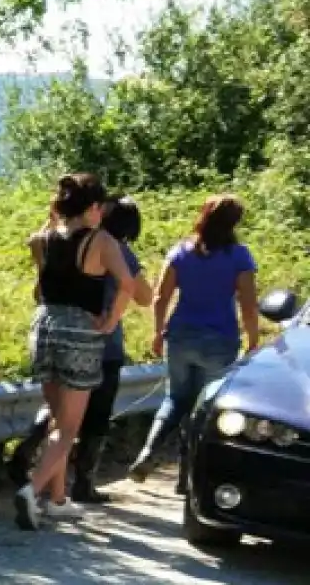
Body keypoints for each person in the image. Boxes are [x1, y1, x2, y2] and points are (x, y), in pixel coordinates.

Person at [11, 174, 139, 529]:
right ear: (94, 208)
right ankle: (32, 491)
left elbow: (41, 290)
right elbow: (128, 284)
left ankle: (57, 499)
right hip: (80, 333)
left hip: (44, 327)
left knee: (55, 417)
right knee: (69, 427)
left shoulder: (44, 239)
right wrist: (111, 319)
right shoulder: (102, 242)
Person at [126, 193, 261, 487]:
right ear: (234, 222)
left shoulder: (180, 252)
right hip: (220, 340)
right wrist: (253, 340)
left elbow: (162, 297)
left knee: (175, 398)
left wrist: (158, 331)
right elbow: (248, 305)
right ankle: (187, 475)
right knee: (205, 407)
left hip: (181, 336)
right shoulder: (240, 256)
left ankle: (149, 450)